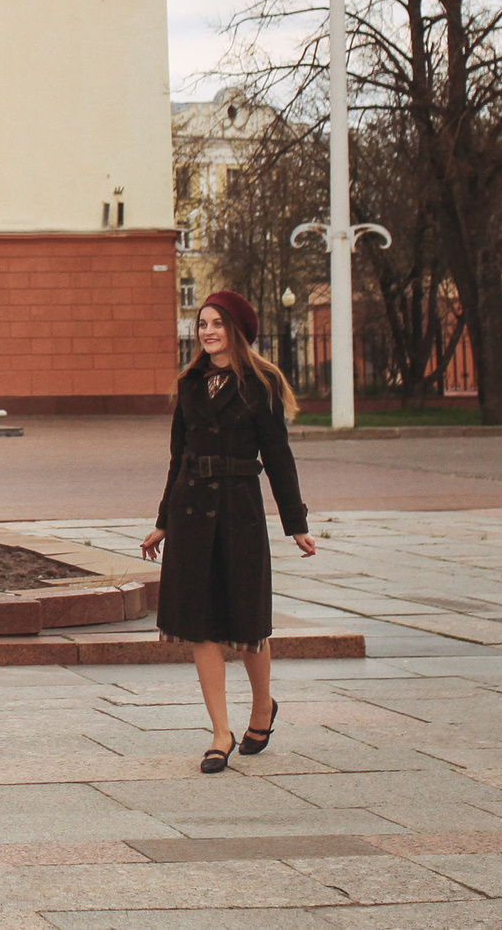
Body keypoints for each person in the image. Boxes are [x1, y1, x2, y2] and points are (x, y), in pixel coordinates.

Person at [141, 290, 319, 774]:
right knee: (200, 624)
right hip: (191, 512)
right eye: (203, 323)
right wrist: (162, 522)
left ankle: (263, 707)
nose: (208, 331)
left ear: (236, 330)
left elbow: (278, 455)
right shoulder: (190, 382)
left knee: (247, 624)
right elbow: (178, 458)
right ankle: (220, 732)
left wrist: (295, 523)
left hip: (239, 510)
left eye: (217, 323)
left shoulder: (260, 383)